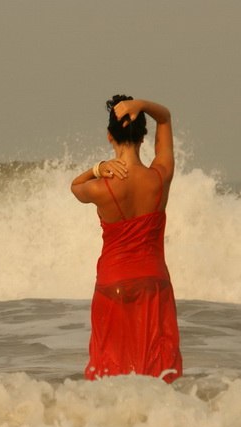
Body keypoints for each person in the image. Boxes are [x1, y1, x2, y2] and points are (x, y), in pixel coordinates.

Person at [70, 95, 182, 383]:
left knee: (109, 373)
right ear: (144, 136)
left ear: (110, 136)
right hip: (153, 284)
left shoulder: (100, 188)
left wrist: (97, 168)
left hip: (112, 283)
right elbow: (166, 117)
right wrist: (142, 105)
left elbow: (75, 187)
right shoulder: (161, 176)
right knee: (158, 373)